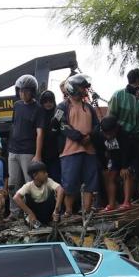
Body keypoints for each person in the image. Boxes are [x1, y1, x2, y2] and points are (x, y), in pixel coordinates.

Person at [52, 74, 99, 217]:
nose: (84, 90)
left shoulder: (89, 107)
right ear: (73, 88)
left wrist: (90, 136)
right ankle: (68, 211)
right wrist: (79, 138)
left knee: (90, 182)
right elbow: (61, 125)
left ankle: (86, 211)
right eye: (82, 87)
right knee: (70, 183)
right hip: (69, 151)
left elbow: (97, 126)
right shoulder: (62, 106)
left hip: (89, 151)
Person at [108, 69, 139, 203]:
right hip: (122, 140)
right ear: (138, 80)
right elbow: (110, 119)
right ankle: (127, 201)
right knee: (124, 171)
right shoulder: (118, 95)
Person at [7, 74, 46, 216]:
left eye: (26, 91)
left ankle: (31, 212)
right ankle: (14, 211)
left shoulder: (38, 108)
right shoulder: (17, 106)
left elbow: (40, 133)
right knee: (13, 183)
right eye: (21, 91)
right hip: (13, 150)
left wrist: (38, 154)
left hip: (28, 151)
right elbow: (14, 126)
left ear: (33, 91)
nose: (23, 94)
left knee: (30, 183)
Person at [93, 116, 138, 212]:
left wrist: (125, 167)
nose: (108, 136)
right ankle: (111, 203)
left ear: (116, 129)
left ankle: (127, 202)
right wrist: (105, 166)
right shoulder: (99, 135)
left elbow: (128, 152)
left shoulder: (124, 135)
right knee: (110, 177)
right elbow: (100, 151)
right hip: (115, 159)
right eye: (106, 134)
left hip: (129, 158)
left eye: (110, 133)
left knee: (126, 174)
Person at [13, 161, 64, 228]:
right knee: (26, 197)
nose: (47, 174)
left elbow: (60, 189)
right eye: (44, 173)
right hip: (35, 214)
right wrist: (30, 213)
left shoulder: (48, 181)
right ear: (35, 176)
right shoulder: (28, 186)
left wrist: (56, 210)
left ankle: (52, 220)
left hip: (48, 212)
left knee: (53, 193)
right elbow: (16, 197)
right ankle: (34, 222)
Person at [39, 90, 62, 183]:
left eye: (50, 101)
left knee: (56, 178)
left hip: (56, 153)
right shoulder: (39, 114)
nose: (48, 104)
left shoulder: (59, 113)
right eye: (45, 101)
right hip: (43, 153)